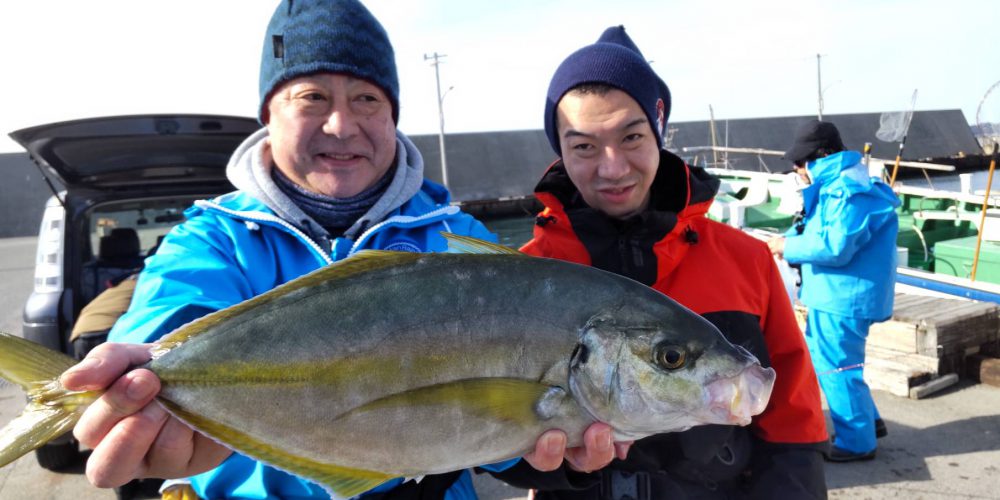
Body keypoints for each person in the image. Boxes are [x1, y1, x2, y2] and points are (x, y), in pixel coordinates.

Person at [57, 1, 536, 498]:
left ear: (393, 115)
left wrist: (552, 451)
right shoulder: (214, 240)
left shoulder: (458, 241)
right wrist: (137, 395)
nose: (341, 125)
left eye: (367, 99)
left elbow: (510, 408)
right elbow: (167, 322)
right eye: (313, 97)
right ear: (269, 114)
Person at [484, 26, 830, 499]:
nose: (612, 167)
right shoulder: (522, 278)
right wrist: (549, 469)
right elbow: (492, 432)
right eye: (584, 146)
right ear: (560, 152)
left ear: (658, 131)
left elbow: (794, 417)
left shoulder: (745, 259)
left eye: (631, 136)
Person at [768, 120, 900, 462]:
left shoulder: (843, 188)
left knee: (836, 367)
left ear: (819, 157)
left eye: (800, 162)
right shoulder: (847, 181)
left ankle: (857, 442)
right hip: (841, 294)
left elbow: (835, 245)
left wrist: (786, 245)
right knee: (832, 360)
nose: (797, 169)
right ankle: (869, 421)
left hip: (841, 296)